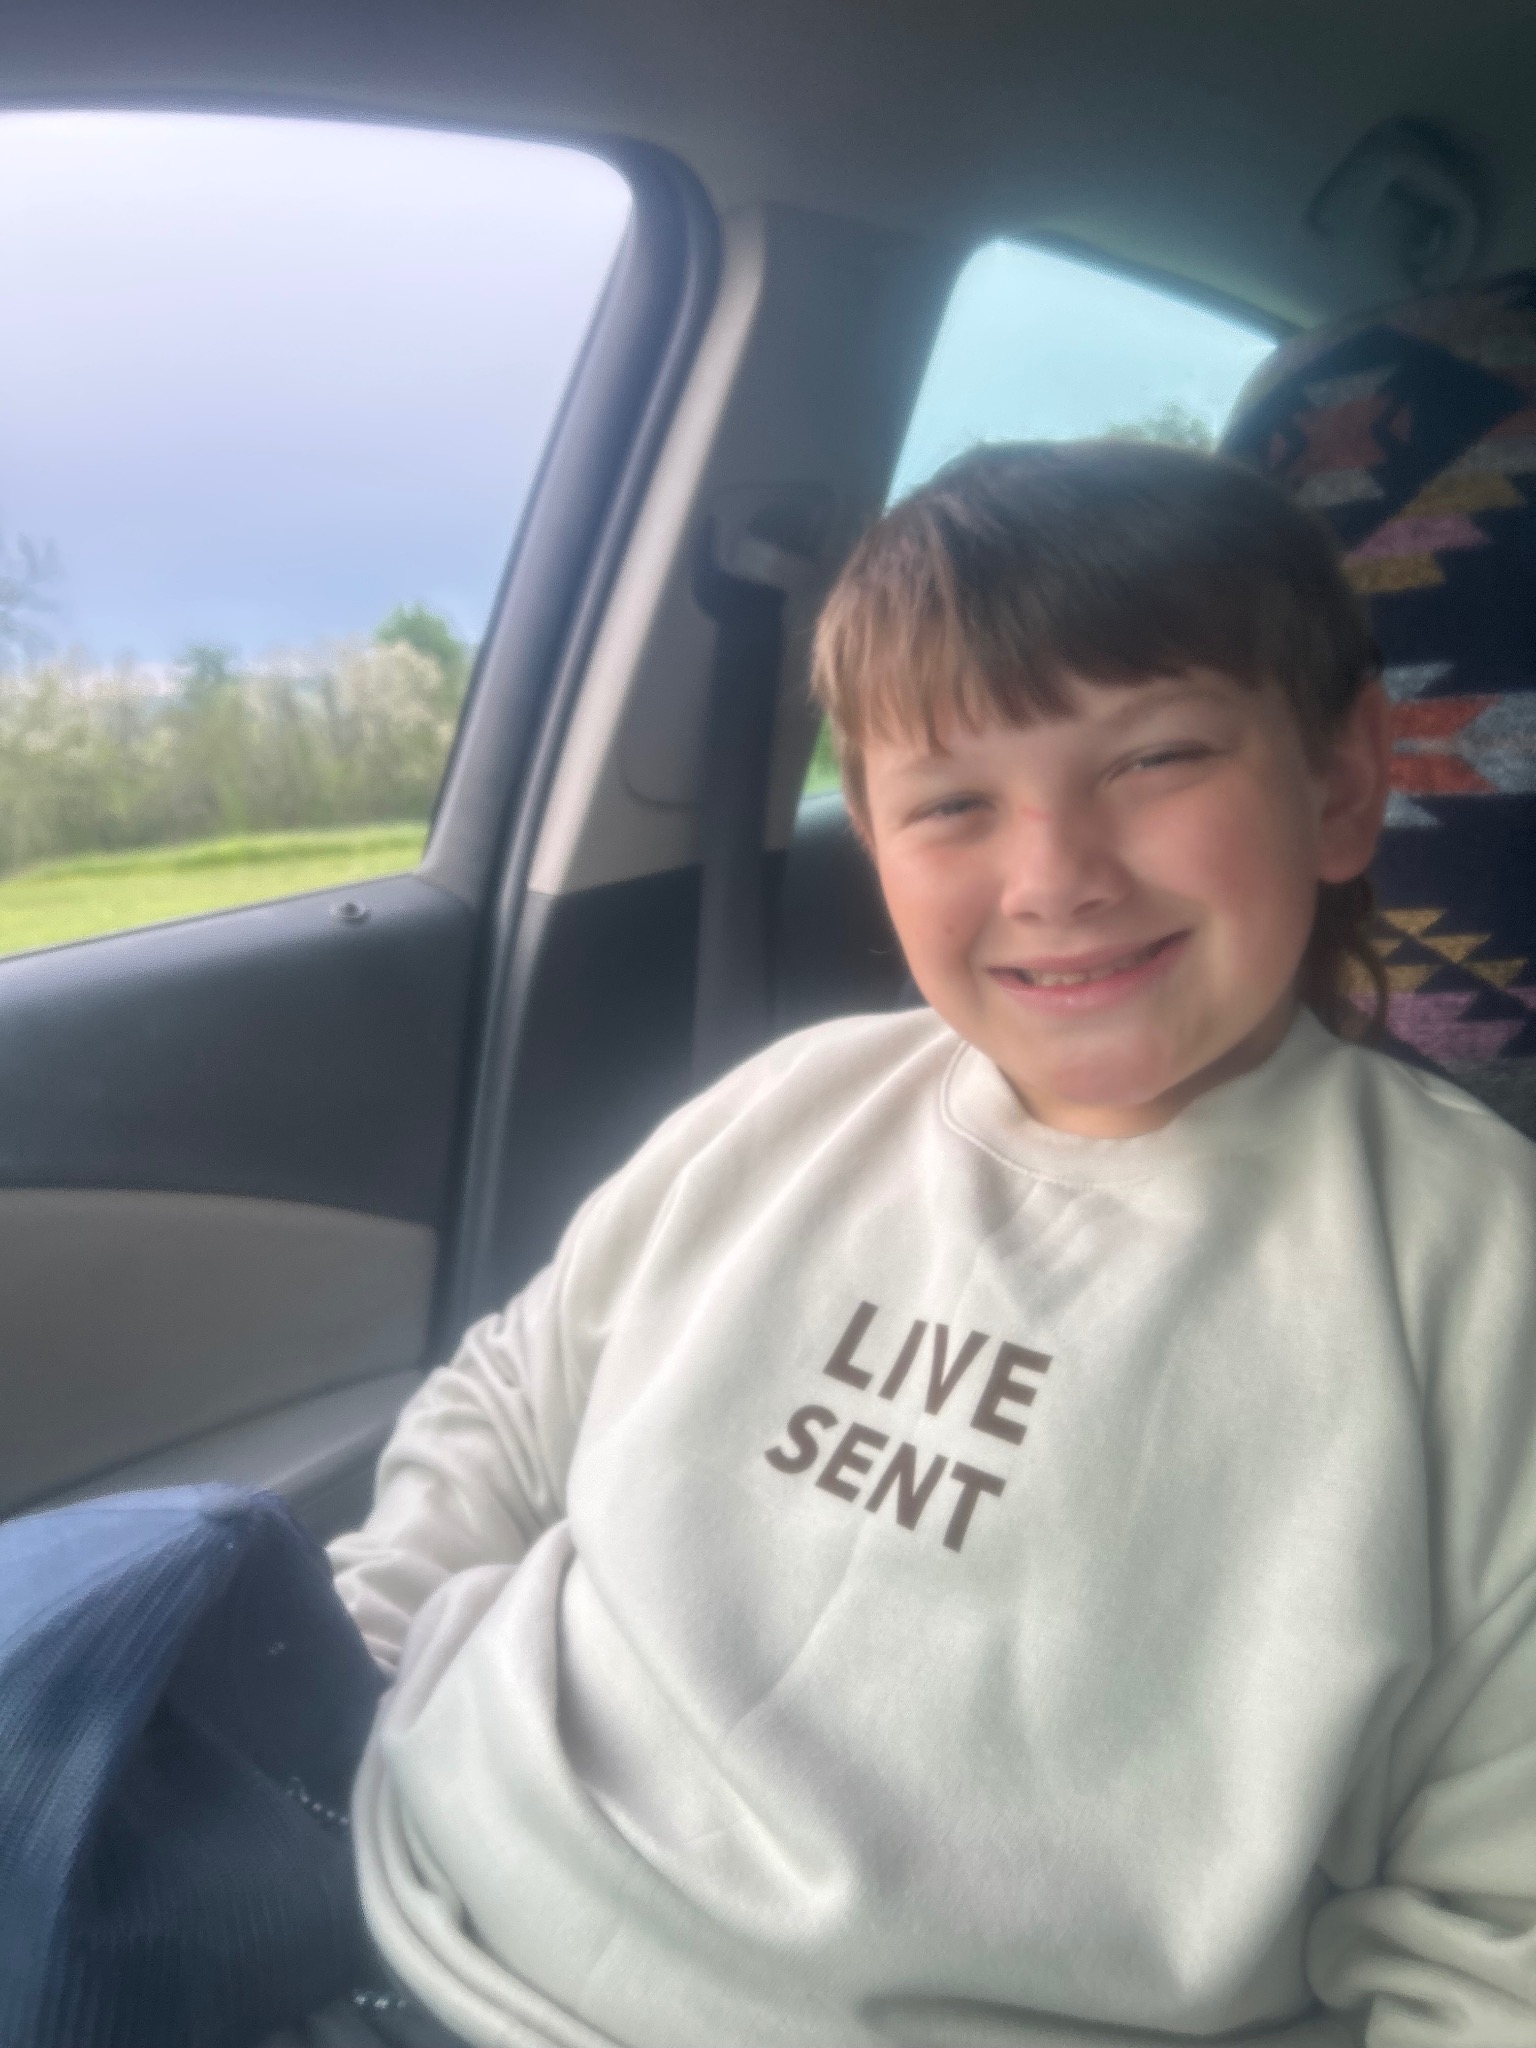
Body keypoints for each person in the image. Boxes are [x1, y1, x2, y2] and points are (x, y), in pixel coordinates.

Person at [289, 443, 1536, 2048]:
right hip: (384, 1899)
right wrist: (356, 1685)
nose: (1056, 879)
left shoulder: (1476, 1285)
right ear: (875, 840)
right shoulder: (781, 1114)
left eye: (1157, 758)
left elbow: (1496, 1947)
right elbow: (507, 1408)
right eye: (951, 803)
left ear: (1343, 782)